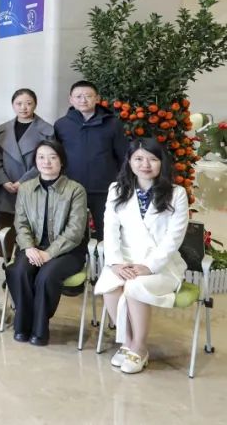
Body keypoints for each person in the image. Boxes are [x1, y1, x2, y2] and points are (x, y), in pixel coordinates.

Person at [93, 138, 189, 374]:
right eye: (138, 159)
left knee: (135, 286)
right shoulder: (117, 190)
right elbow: (110, 230)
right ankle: (127, 343)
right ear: (129, 161)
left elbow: (174, 238)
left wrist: (148, 266)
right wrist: (115, 263)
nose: (145, 165)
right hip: (124, 260)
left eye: (152, 159)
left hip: (160, 265)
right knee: (109, 284)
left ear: (162, 162)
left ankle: (139, 348)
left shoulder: (177, 194)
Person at [5, 140, 88, 346]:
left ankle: (39, 328)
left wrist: (49, 253)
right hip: (32, 248)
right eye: (41, 157)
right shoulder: (26, 188)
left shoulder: (75, 190)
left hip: (67, 251)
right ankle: (23, 324)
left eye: (52, 157)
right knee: (18, 271)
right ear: (35, 161)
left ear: (62, 161)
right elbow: (20, 223)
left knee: (46, 276)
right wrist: (29, 247)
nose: (46, 162)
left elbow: (75, 231)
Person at [54, 80, 128, 241]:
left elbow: (124, 156)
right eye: (78, 96)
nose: (83, 100)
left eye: (88, 96)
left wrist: (122, 183)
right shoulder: (61, 125)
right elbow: (56, 157)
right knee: (72, 233)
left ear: (97, 98)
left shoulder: (113, 124)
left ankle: (105, 257)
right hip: (71, 188)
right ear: (71, 99)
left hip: (104, 188)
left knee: (107, 233)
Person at [0, 89, 54, 228]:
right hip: (6, 190)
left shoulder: (47, 130)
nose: (23, 107)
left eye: (28, 103)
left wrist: (23, 182)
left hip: (34, 187)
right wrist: (4, 181)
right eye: (19, 103)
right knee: (6, 230)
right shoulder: (3, 130)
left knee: (31, 230)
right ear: (13, 105)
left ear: (35, 104)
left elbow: (48, 162)